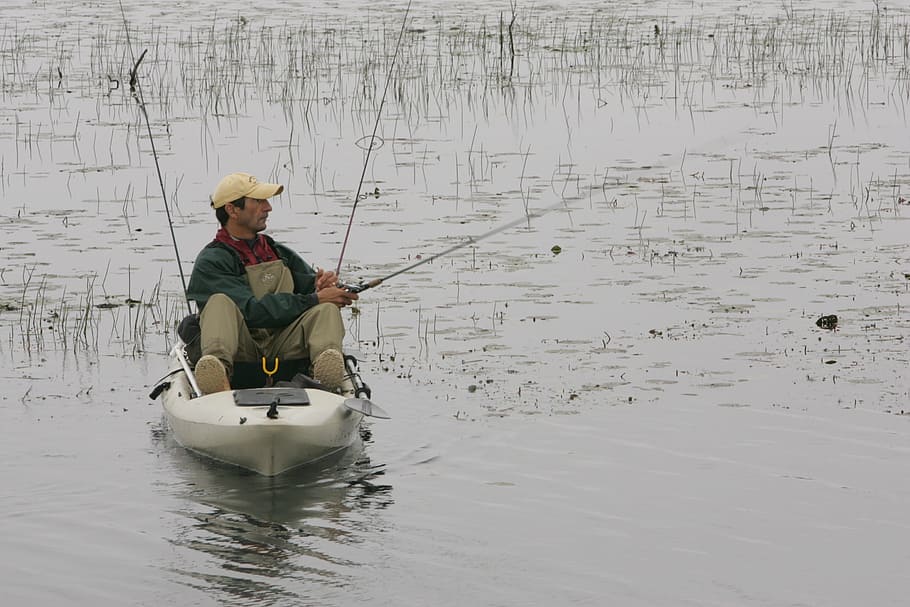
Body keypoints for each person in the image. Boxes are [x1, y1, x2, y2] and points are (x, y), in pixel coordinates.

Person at [186, 172, 358, 394]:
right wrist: (314, 298)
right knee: (219, 302)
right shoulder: (212, 261)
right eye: (258, 201)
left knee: (326, 310)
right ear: (232, 210)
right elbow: (251, 311)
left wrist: (321, 287)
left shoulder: (277, 251)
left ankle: (324, 379)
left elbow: (307, 288)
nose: (268, 208)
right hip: (241, 350)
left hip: (284, 344)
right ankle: (217, 376)